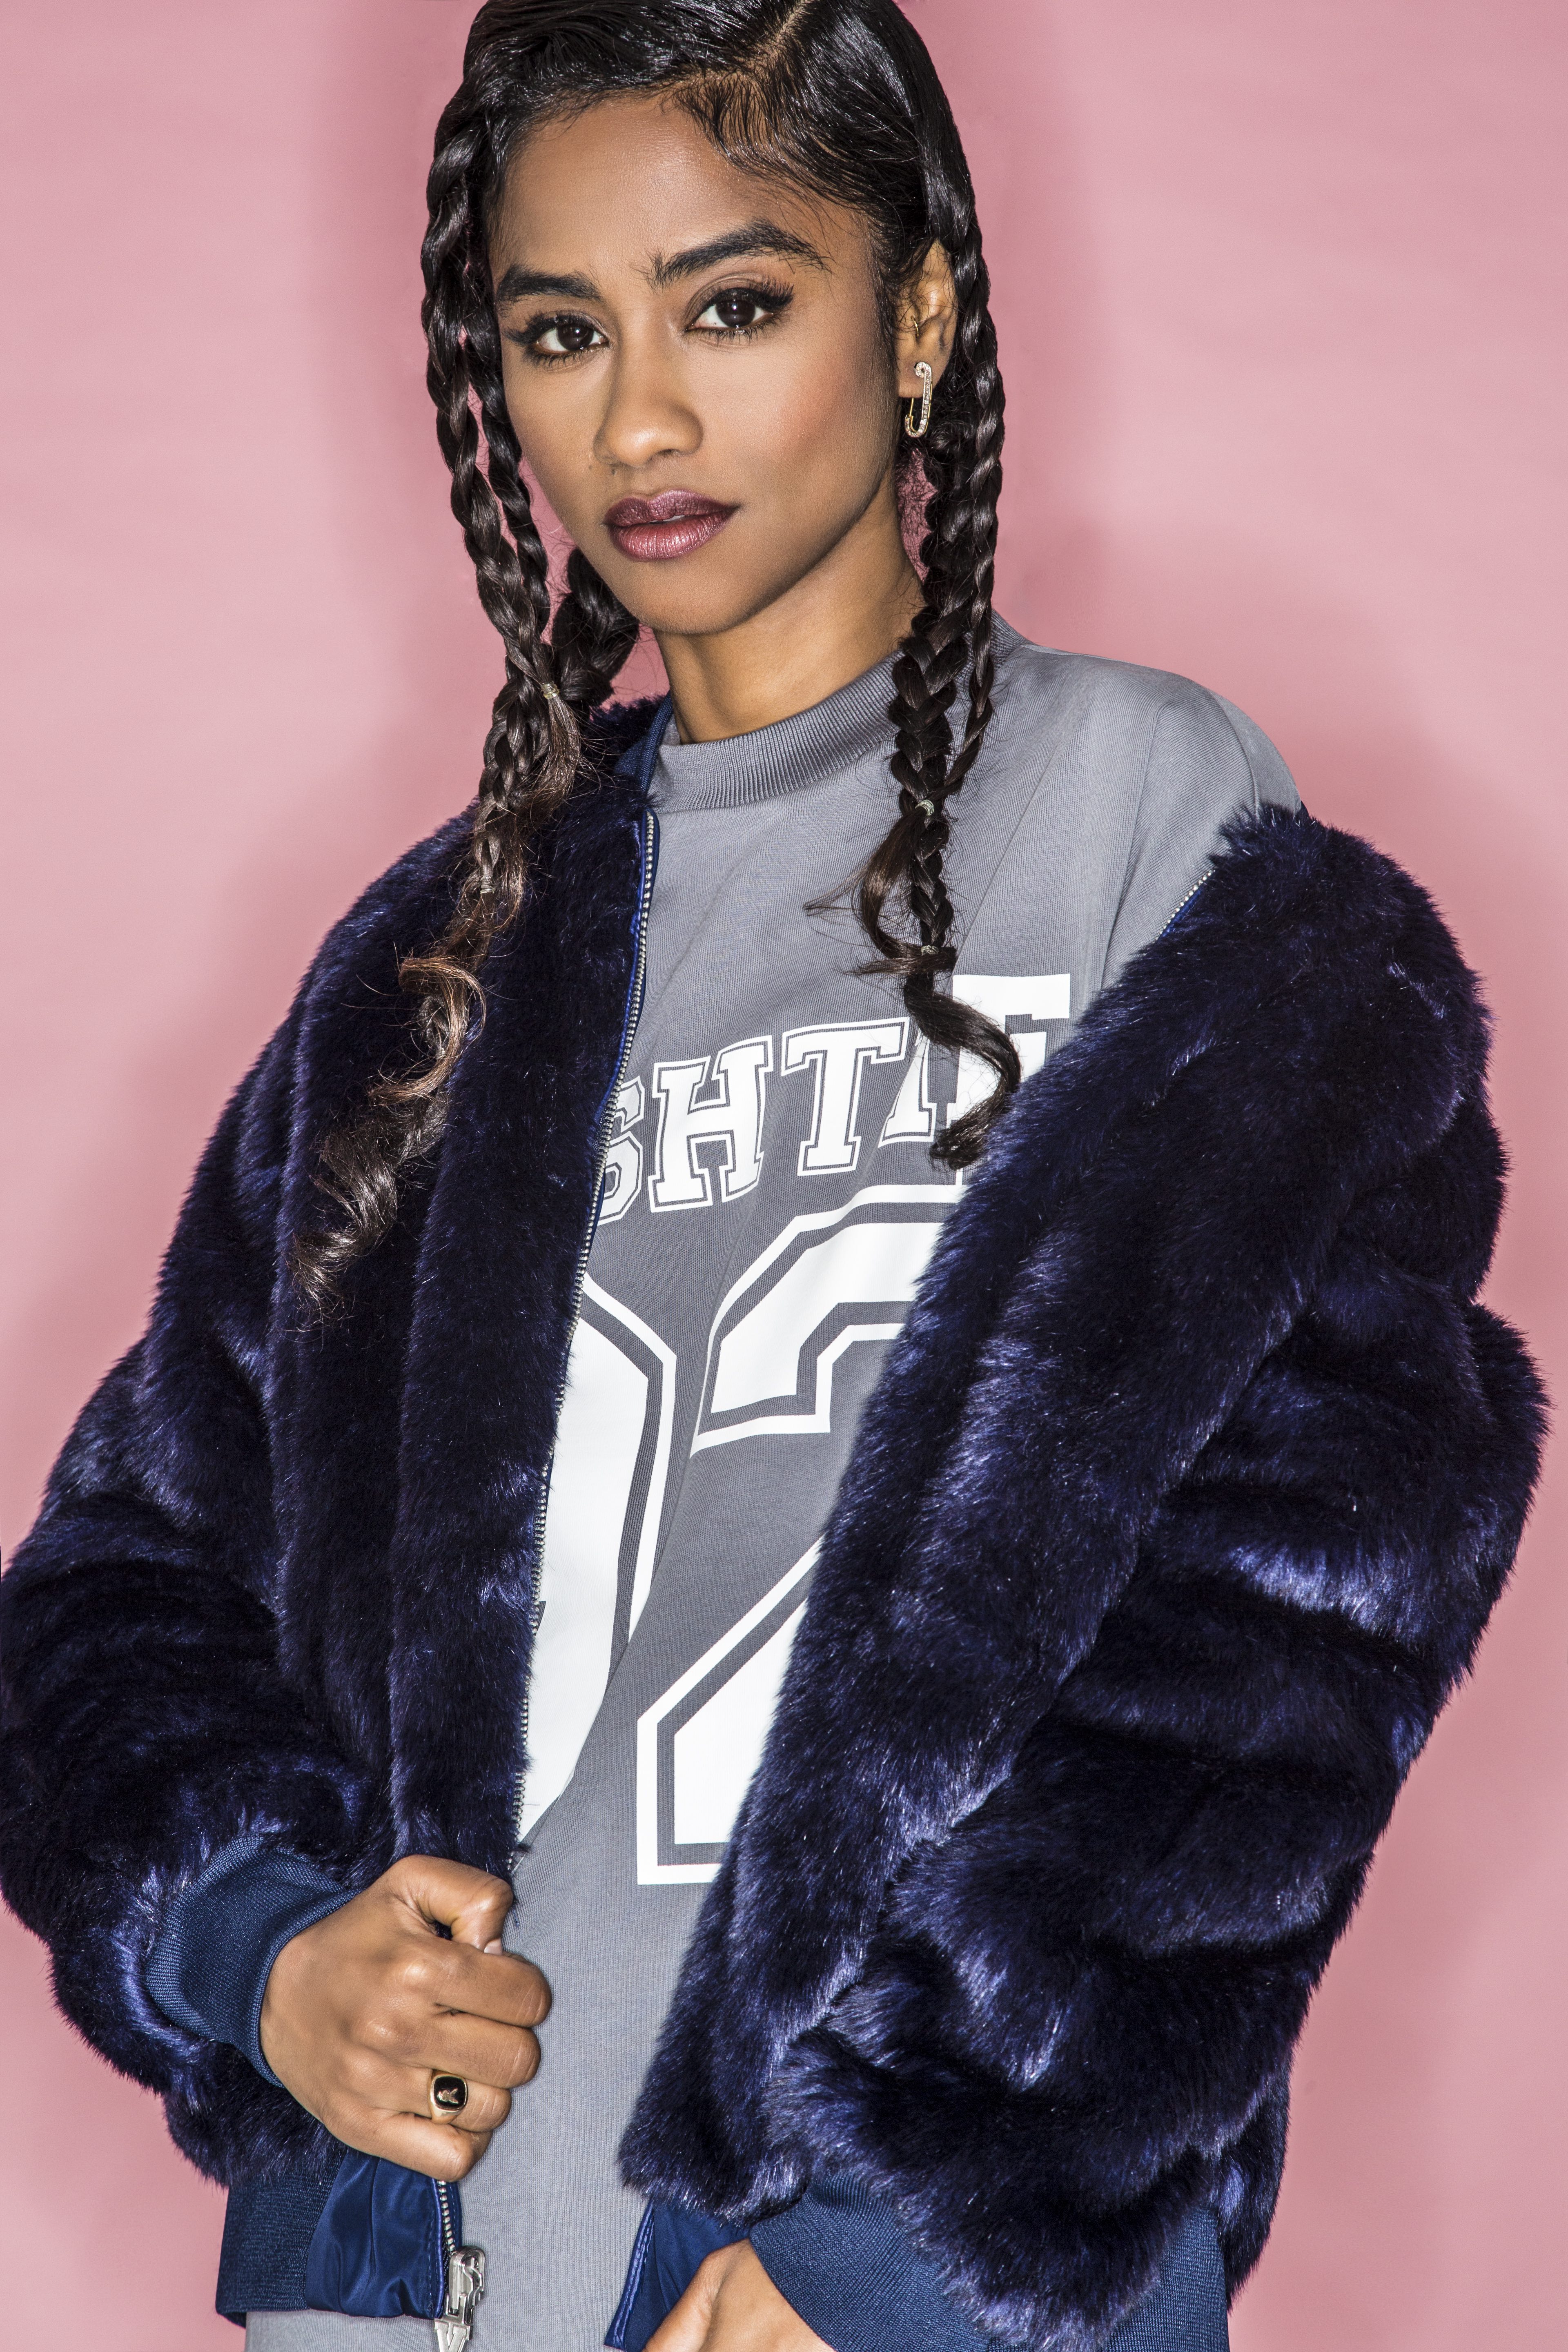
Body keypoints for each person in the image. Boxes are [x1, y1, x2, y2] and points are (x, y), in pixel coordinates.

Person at [0, 4, 1543, 2350]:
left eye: (731, 305)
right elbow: (113, 1583)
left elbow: (1301, 1590)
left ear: (918, 315)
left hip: (890, 2278)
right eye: (559, 333)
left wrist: (906, 2227)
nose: (637, 421)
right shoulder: (436, 969)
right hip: (410, 2278)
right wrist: (261, 1945)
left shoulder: (1149, 813)